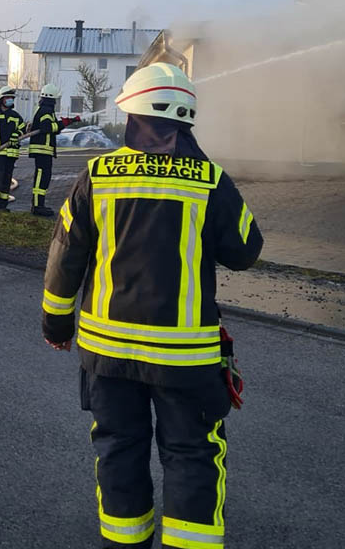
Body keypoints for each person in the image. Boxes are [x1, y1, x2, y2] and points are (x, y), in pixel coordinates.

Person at [41, 62, 264, 549]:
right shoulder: (209, 179)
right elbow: (246, 250)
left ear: (131, 115)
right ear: (186, 120)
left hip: (107, 353)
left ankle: (124, 541)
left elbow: (65, 256)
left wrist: (56, 325)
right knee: (192, 454)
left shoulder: (98, 175)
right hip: (186, 358)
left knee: (119, 447)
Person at [27, 83, 80, 217]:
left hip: (44, 150)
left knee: (44, 177)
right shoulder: (45, 110)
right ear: (52, 98)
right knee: (41, 177)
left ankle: (39, 205)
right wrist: (63, 123)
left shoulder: (45, 109)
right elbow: (47, 128)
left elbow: (53, 129)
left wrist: (68, 122)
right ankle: (38, 206)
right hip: (42, 149)